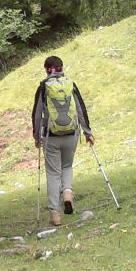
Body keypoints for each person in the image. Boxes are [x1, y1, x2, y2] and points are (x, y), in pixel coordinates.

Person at [32, 56, 95, 226]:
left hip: (51, 137)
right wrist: (87, 132)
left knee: (53, 174)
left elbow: (37, 114)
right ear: (61, 68)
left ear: (47, 69)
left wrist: (37, 136)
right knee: (67, 166)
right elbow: (81, 109)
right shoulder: (70, 84)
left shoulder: (43, 87)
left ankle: (55, 214)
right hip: (71, 134)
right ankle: (67, 193)